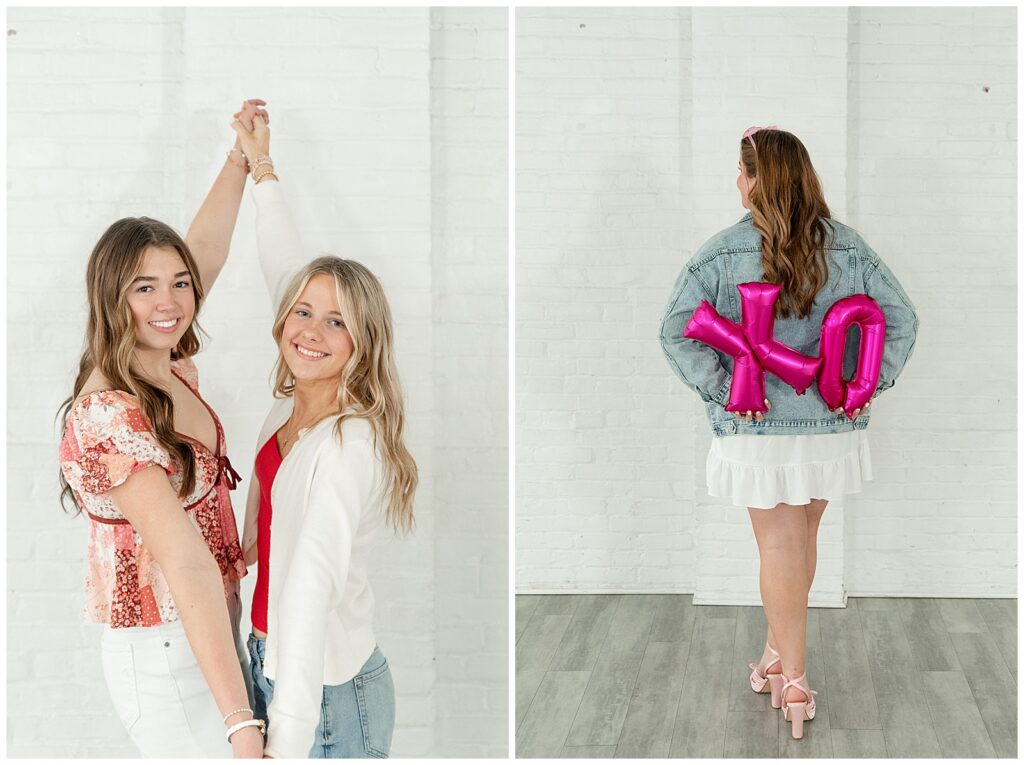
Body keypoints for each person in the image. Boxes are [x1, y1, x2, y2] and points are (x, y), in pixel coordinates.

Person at [658, 126, 919, 739]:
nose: (737, 181)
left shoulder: (721, 252)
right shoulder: (847, 247)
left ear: (755, 180)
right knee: (800, 538)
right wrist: (863, 385)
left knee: (779, 545)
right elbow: (902, 319)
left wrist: (728, 389)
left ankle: (795, 681)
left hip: (757, 428)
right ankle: (775, 654)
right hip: (830, 422)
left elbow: (674, 329)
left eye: (740, 171)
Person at [58, 101, 270, 757]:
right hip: (162, 648)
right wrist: (240, 721)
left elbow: (203, 252)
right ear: (112, 296)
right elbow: (183, 559)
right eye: (144, 288)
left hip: (209, 627)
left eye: (179, 285)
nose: (169, 302)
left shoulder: (165, 364)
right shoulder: (109, 414)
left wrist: (241, 160)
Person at [229, 110, 418, 758]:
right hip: (272, 661)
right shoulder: (291, 407)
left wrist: (285, 737)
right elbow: (281, 259)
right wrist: (261, 165)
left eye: (336, 322)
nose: (311, 330)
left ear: (362, 342)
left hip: (327, 694)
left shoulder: (348, 446)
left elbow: (311, 588)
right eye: (303, 312)